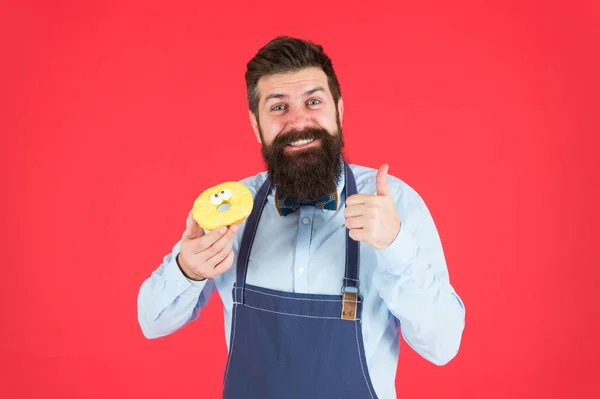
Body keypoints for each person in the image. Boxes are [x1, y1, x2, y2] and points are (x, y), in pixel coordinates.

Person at [137, 35, 465, 399]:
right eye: (278, 108)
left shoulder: (394, 204)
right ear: (255, 123)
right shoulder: (231, 210)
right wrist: (188, 269)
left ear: (338, 110)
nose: (298, 121)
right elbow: (152, 323)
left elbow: (443, 346)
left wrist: (395, 246)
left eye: (313, 101)